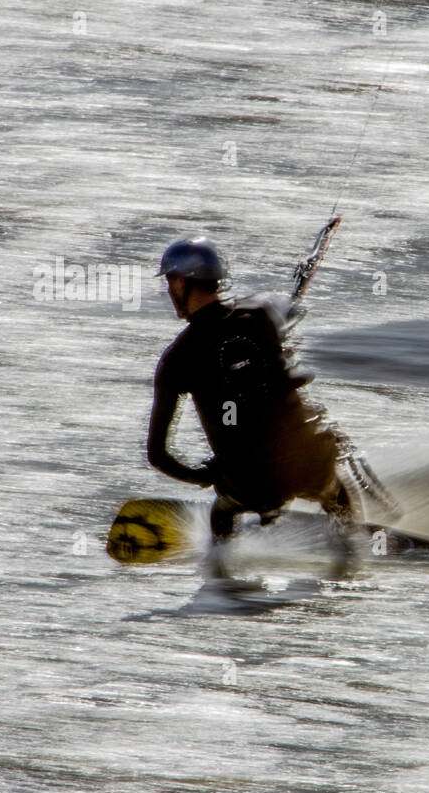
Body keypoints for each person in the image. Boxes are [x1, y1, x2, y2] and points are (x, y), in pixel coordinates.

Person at [145, 234, 360, 572]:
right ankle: (349, 560)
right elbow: (282, 336)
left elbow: (158, 456)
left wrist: (205, 474)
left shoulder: (176, 360)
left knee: (222, 510)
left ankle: (222, 579)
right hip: (308, 463)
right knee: (335, 491)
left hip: (251, 485)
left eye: (170, 282)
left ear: (182, 283)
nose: (170, 291)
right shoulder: (260, 313)